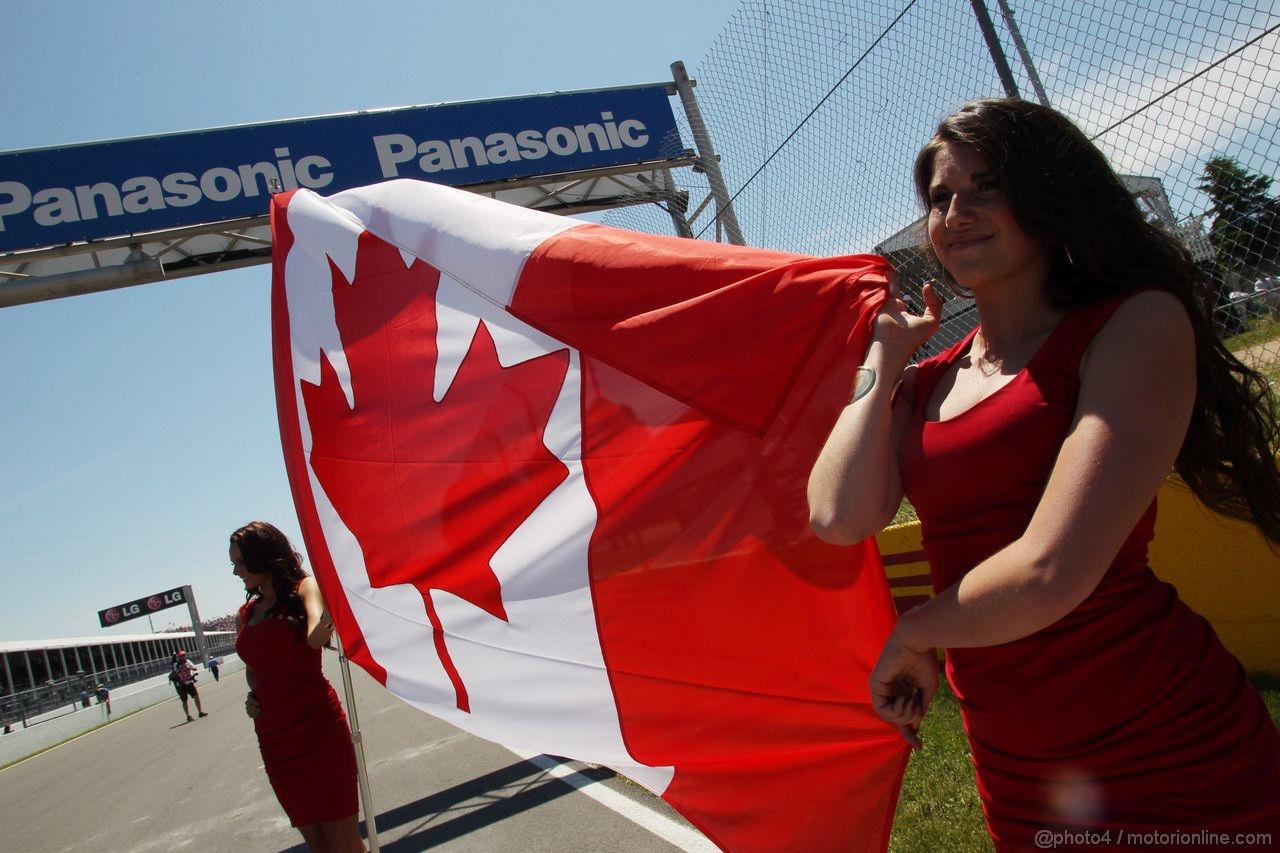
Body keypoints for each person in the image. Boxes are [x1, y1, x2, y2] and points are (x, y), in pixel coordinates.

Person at [808, 98, 1280, 848]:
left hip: (1170, 746)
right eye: (939, 197)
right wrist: (884, 356)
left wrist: (917, 633)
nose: (956, 212)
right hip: (1021, 766)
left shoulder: (1131, 323)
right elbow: (836, 513)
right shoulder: (926, 381)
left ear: (1048, 194)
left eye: (985, 186)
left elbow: (1053, 569)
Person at [231, 521, 364, 852]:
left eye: (240, 562)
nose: (235, 572)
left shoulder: (306, 588)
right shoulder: (244, 615)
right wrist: (252, 694)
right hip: (276, 741)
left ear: (263, 556)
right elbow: (253, 669)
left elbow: (315, 636)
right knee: (318, 847)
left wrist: (333, 609)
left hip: (318, 729)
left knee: (344, 844)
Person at [173, 650, 207, 722]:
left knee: (196, 696)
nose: (183, 657)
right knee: (184, 701)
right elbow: (174, 675)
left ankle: (200, 712)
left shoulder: (188, 661)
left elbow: (195, 668)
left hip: (189, 682)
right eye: (181, 656)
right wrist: (180, 670)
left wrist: (189, 668)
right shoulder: (176, 665)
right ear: (179, 657)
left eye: (184, 655)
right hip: (181, 684)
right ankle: (188, 716)